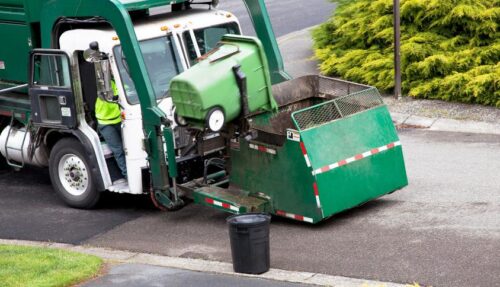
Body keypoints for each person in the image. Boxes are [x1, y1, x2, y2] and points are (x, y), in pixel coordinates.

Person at [95, 80, 128, 184]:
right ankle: (128, 175)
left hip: (121, 119)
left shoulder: (122, 80)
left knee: (128, 148)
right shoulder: (104, 84)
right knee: (118, 149)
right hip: (105, 122)